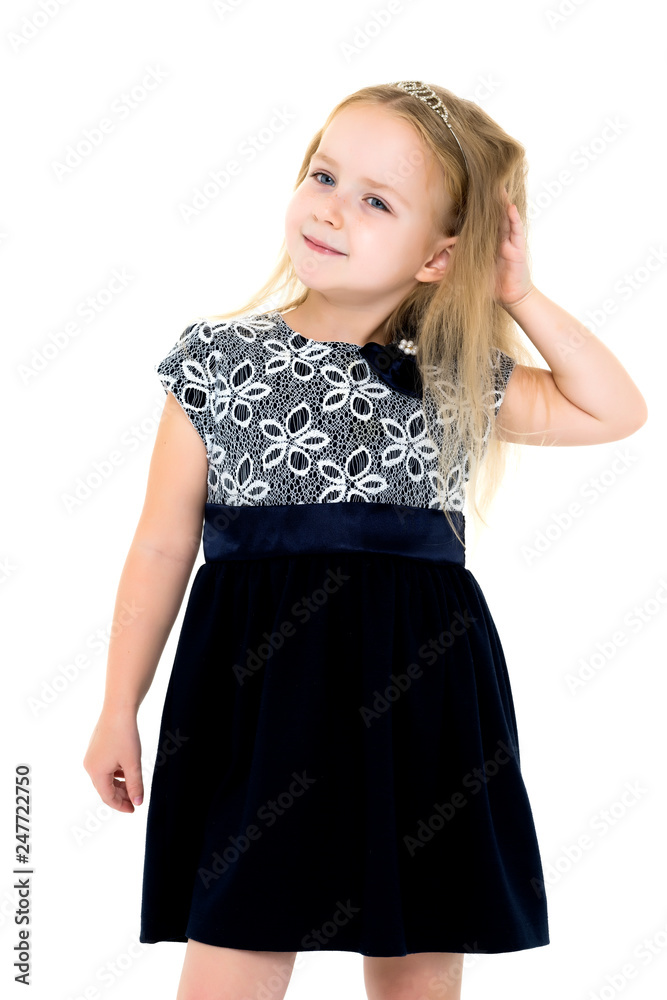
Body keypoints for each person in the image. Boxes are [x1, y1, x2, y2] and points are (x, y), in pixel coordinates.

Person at [82, 81, 648, 1000]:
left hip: (418, 684)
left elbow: (613, 410)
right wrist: (119, 704)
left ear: (438, 256)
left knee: (417, 951)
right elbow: (159, 545)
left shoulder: (454, 371)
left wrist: (521, 292)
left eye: (375, 200)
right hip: (257, 692)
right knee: (237, 936)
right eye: (324, 174)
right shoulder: (218, 359)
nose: (332, 207)